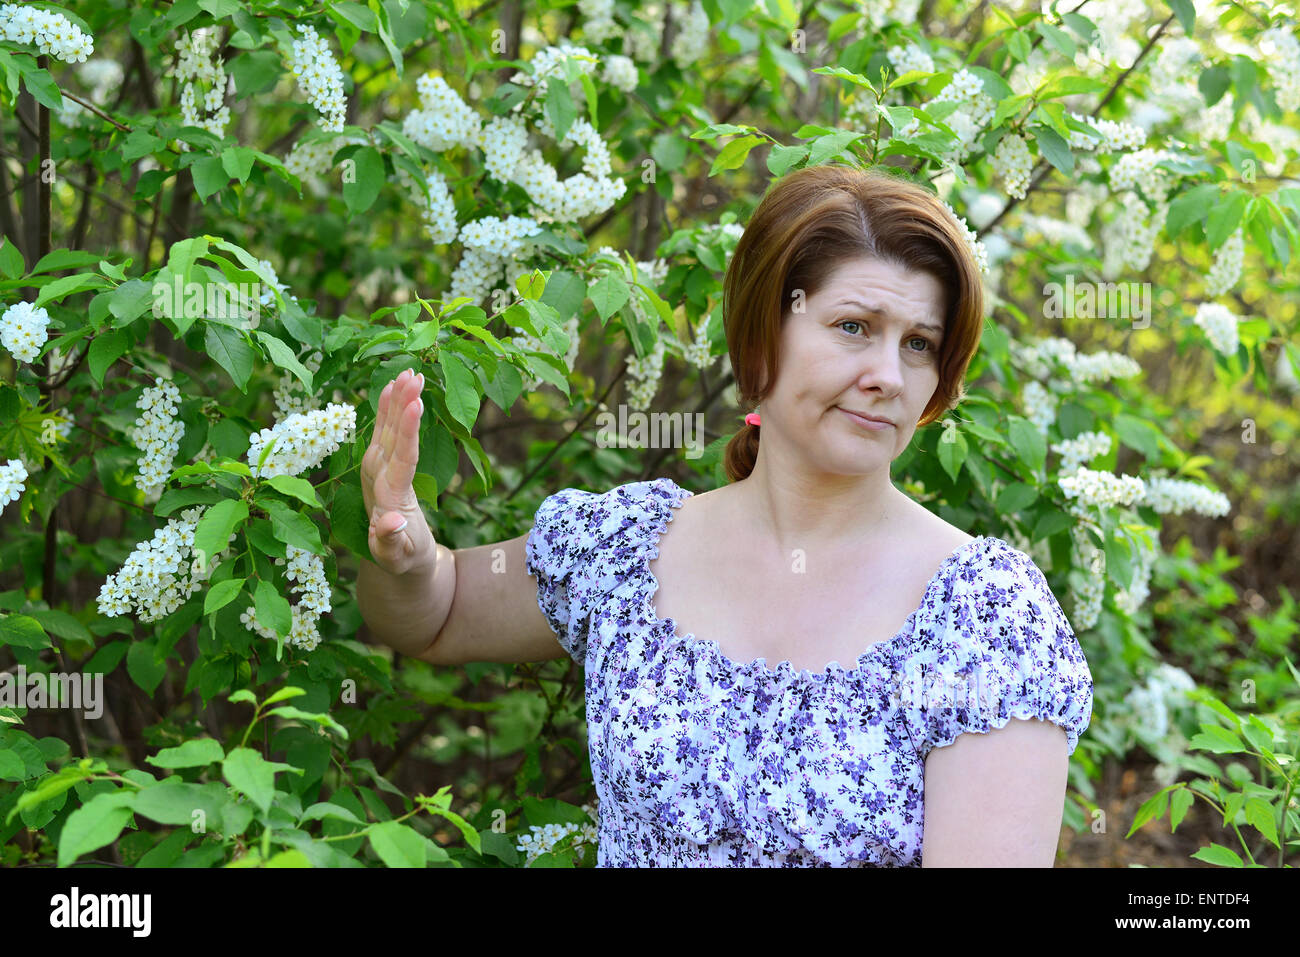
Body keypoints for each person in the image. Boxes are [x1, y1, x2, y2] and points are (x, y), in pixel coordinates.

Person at [355, 163, 1094, 867]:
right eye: (853, 326)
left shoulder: (984, 615)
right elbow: (437, 612)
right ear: (760, 333)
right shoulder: (627, 547)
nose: (886, 376)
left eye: (920, 344)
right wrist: (409, 553)